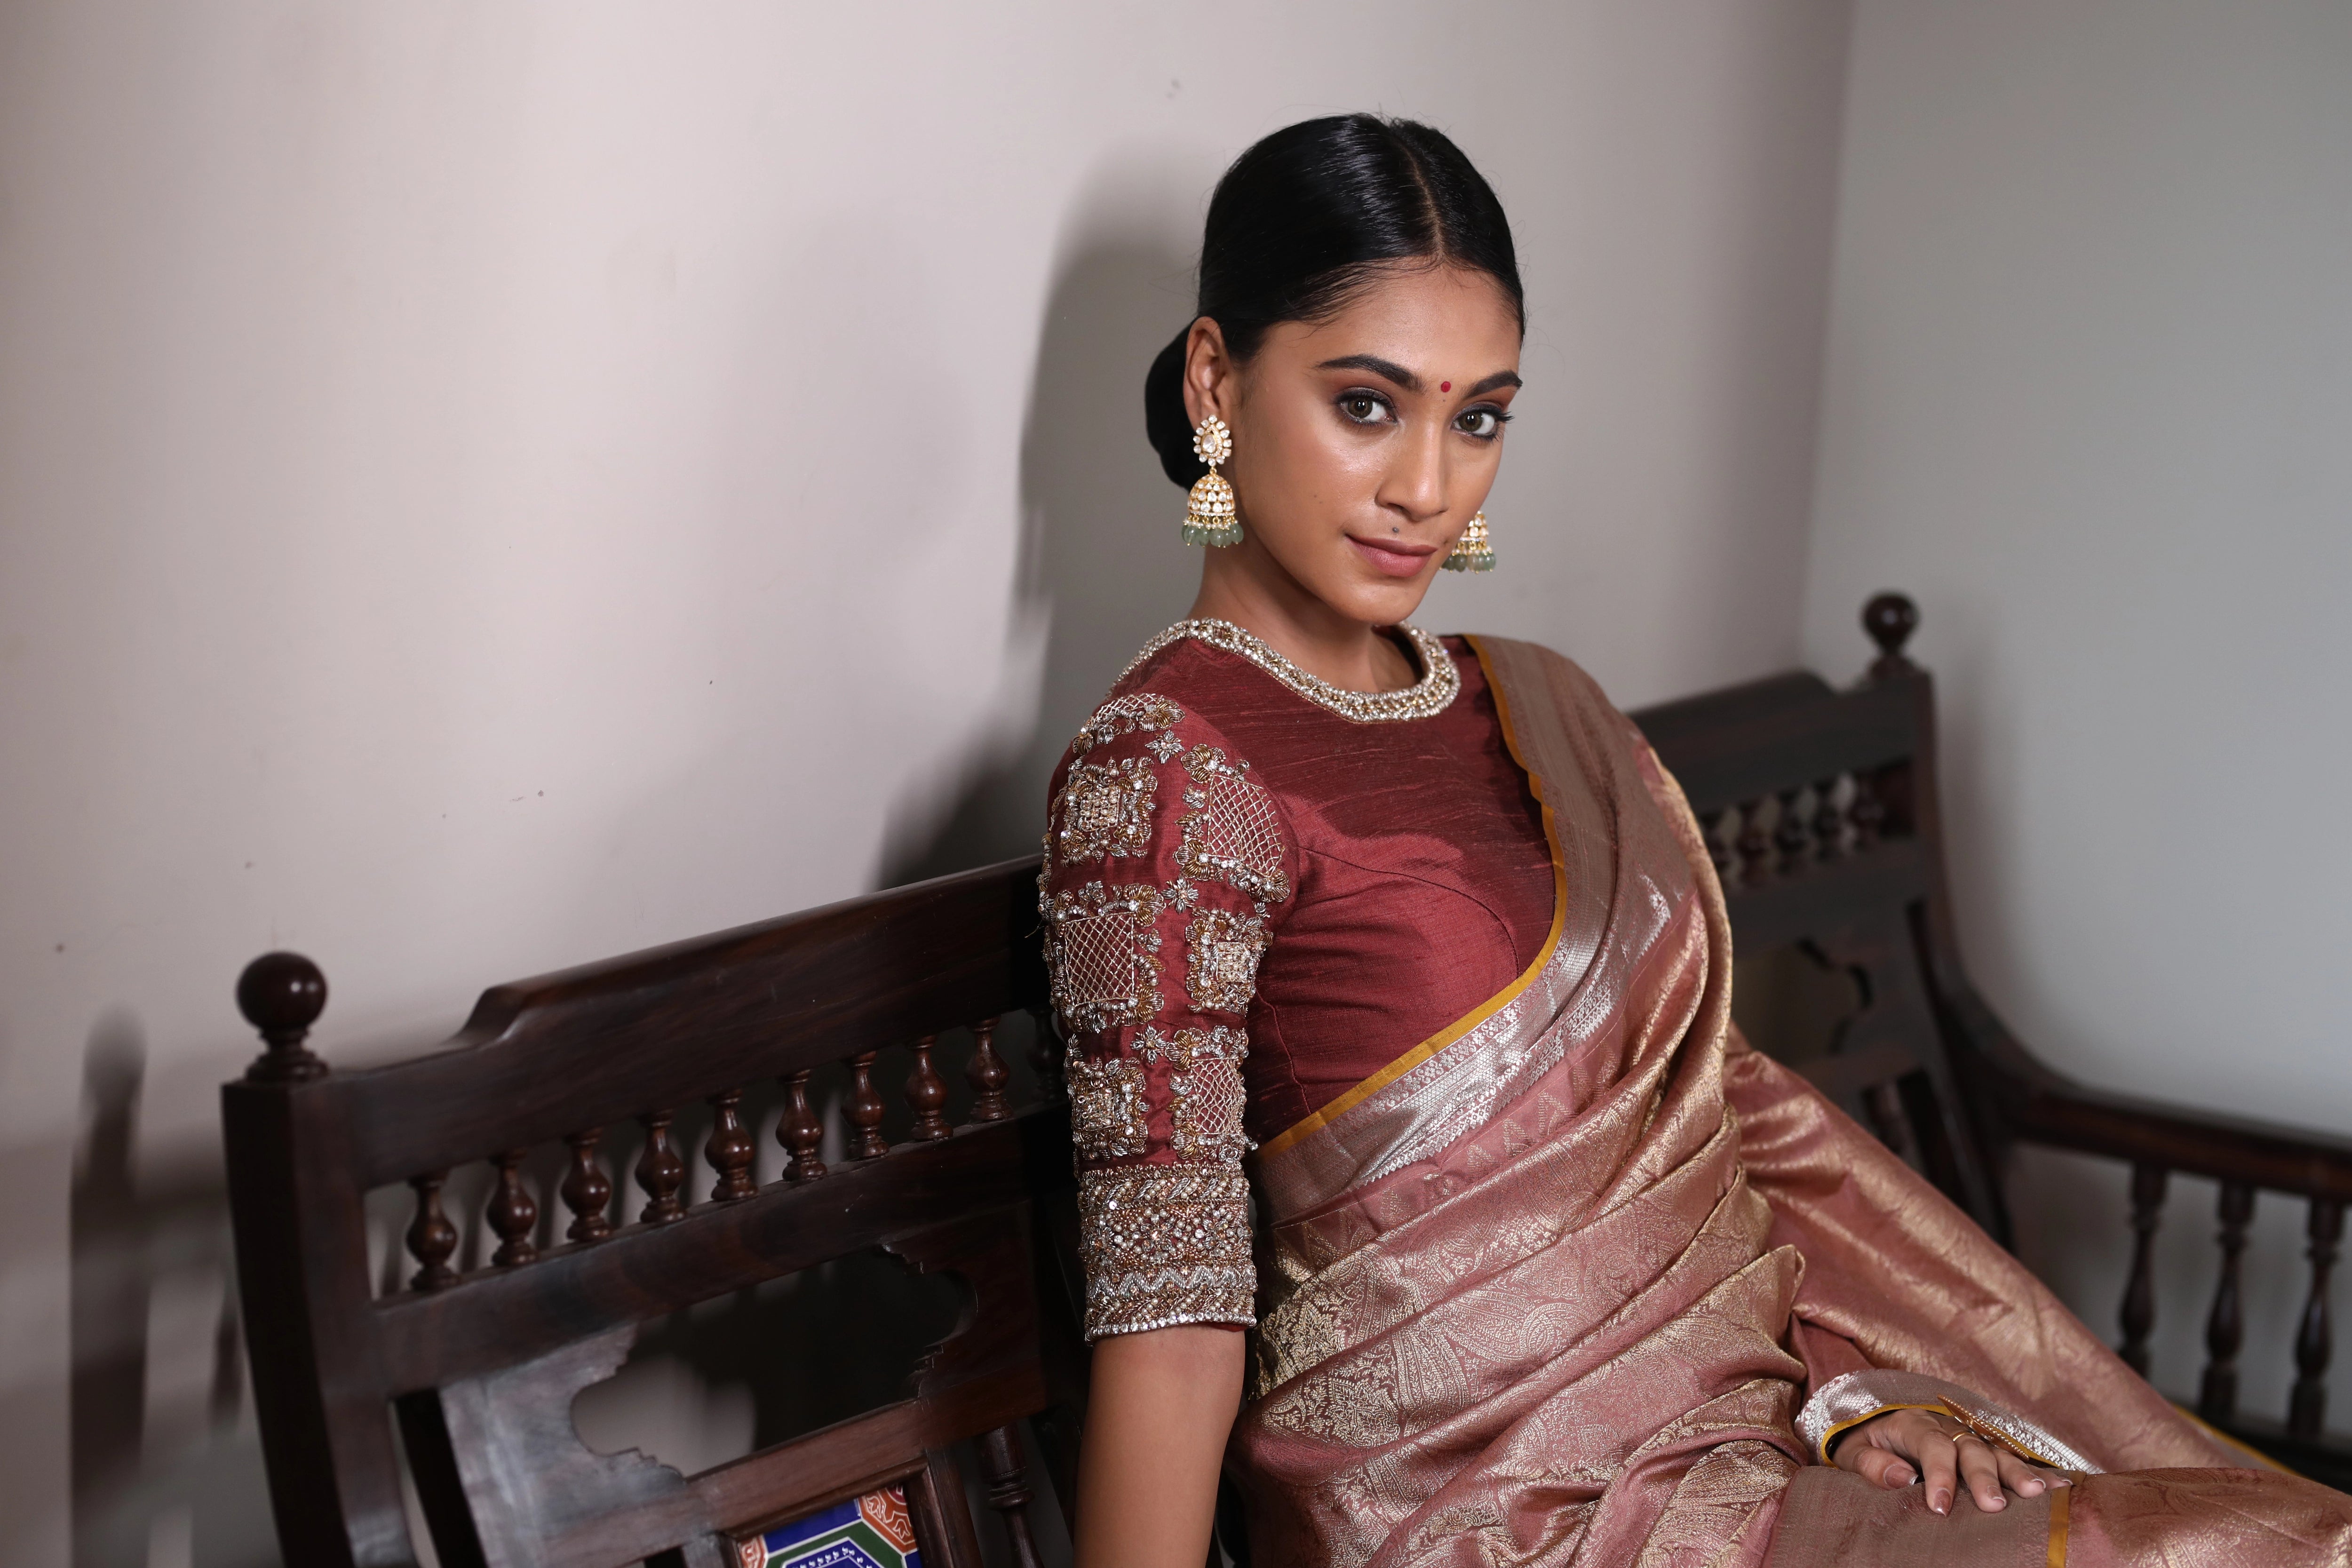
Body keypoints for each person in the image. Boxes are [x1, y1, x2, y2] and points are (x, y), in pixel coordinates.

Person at [1038, 113, 2352, 1567]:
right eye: (1369, 405)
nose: (1430, 484)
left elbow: (1718, 1143)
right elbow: (1169, 1321)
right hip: (1485, 1524)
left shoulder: (1535, 707)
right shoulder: (1167, 771)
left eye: (1478, 417)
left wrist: (1857, 1404)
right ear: (1220, 379)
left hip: (1737, 1454)